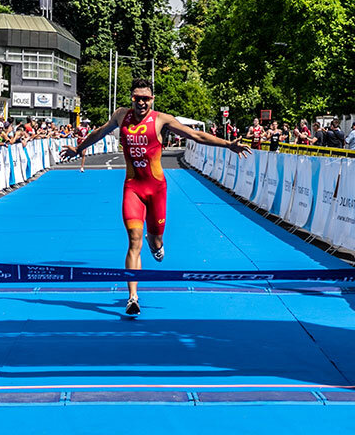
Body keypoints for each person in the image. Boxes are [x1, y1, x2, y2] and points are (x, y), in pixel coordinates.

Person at [61, 78, 250, 316]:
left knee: (155, 240)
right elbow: (100, 132)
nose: (141, 102)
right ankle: (132, 297)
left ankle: (156, 244)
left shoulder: (162, 119)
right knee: (133, 239)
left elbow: (195, 135)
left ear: (152, 99)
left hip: (156, 189)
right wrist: (78, 149)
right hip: (133, 188)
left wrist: (227, 144)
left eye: (145, 98)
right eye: (137, 98)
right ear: (132, 98)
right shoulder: (121, 115)